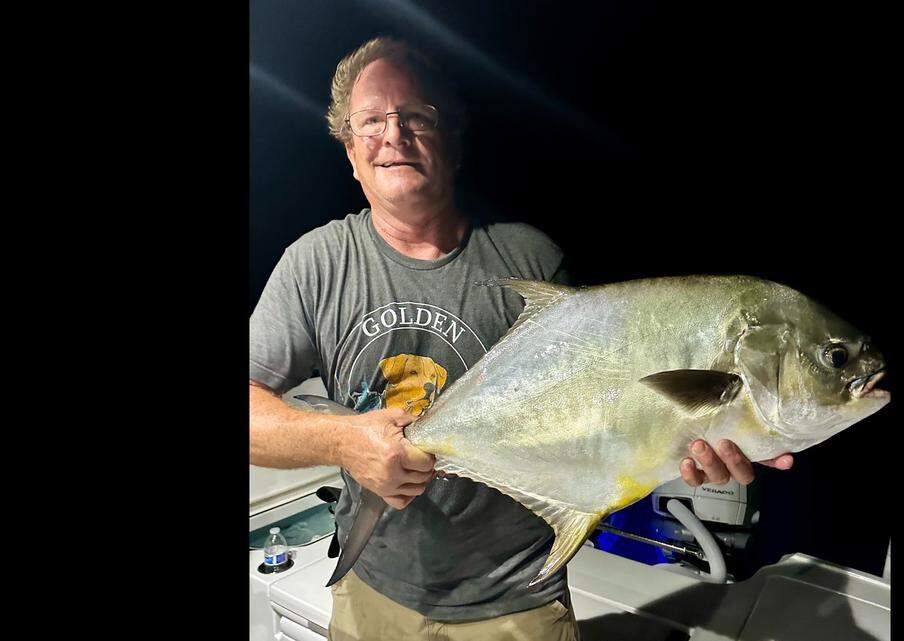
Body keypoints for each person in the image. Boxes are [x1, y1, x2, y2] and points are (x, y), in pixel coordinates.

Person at [249, 36, 792, 641]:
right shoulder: (315, 265)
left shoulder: (529, 257)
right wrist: (343, 441)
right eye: (371, 120)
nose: (394, 134)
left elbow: (594, 418)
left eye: (417, 117)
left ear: (453, 143)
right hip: (374, 594)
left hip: (517, 599)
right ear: (350, 152)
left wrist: (682, 446)